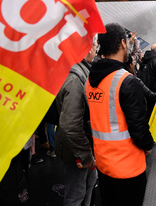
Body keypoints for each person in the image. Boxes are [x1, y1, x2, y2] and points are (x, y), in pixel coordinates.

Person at [86, 23, 154, 206]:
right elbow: (138, 128)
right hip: (128, 169)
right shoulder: (126, 81)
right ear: (124, 44)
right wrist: (149, 144)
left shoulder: (90, 80)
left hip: (103, 165)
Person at [54, 41, 97, 206]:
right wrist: (85, 155)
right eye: (94, 45)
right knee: (76, 194)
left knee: (88, 185)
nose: (96, 49)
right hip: (76, 149)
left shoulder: (81, 70)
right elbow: (70, 125)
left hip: (82, 145)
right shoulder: (74, 78)